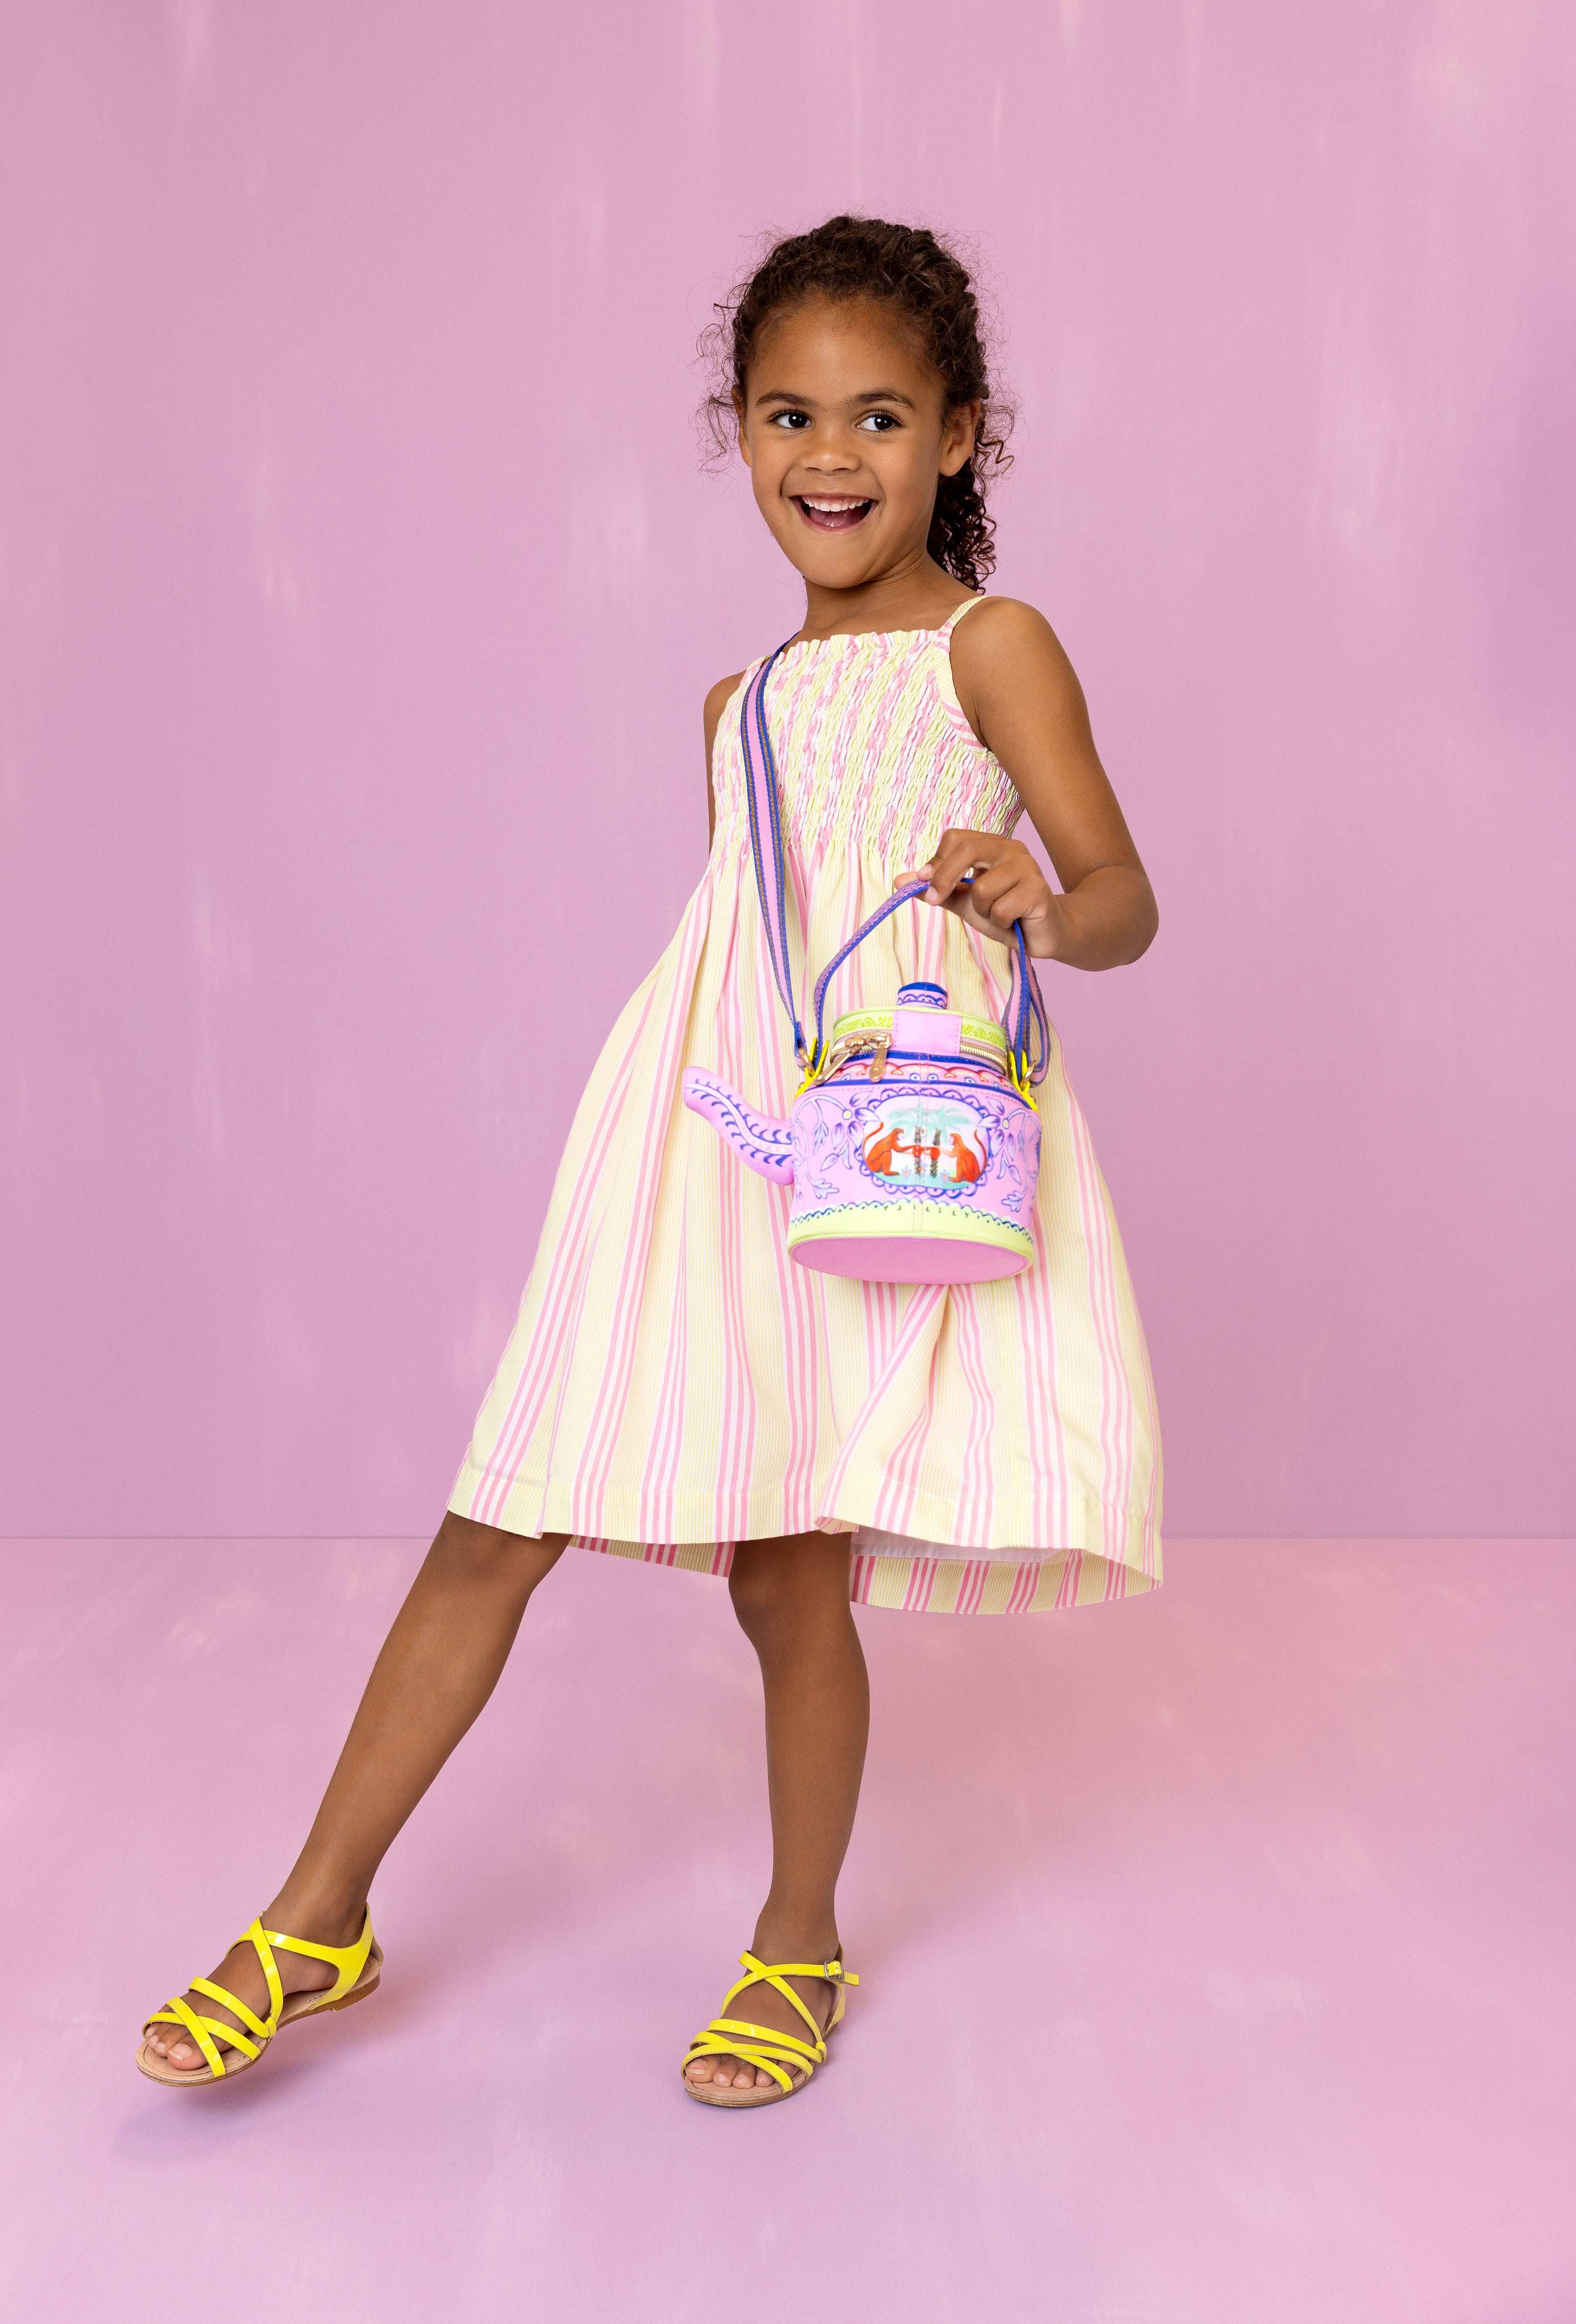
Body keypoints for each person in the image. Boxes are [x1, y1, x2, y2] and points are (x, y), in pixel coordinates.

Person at [139, 214, 1162, 2109]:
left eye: (880, 416)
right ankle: (316, 1913)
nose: (830, 455)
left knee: (788, 1575)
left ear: (958, 435)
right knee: (500, 1511)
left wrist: (1039, 892)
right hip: (696, 1138)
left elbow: (1125, 901)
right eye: (789, 415)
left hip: (871, 1149)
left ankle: (799, 1942)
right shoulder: (734, 704)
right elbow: (745, 946)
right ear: (740, 431)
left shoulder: (993, 646)